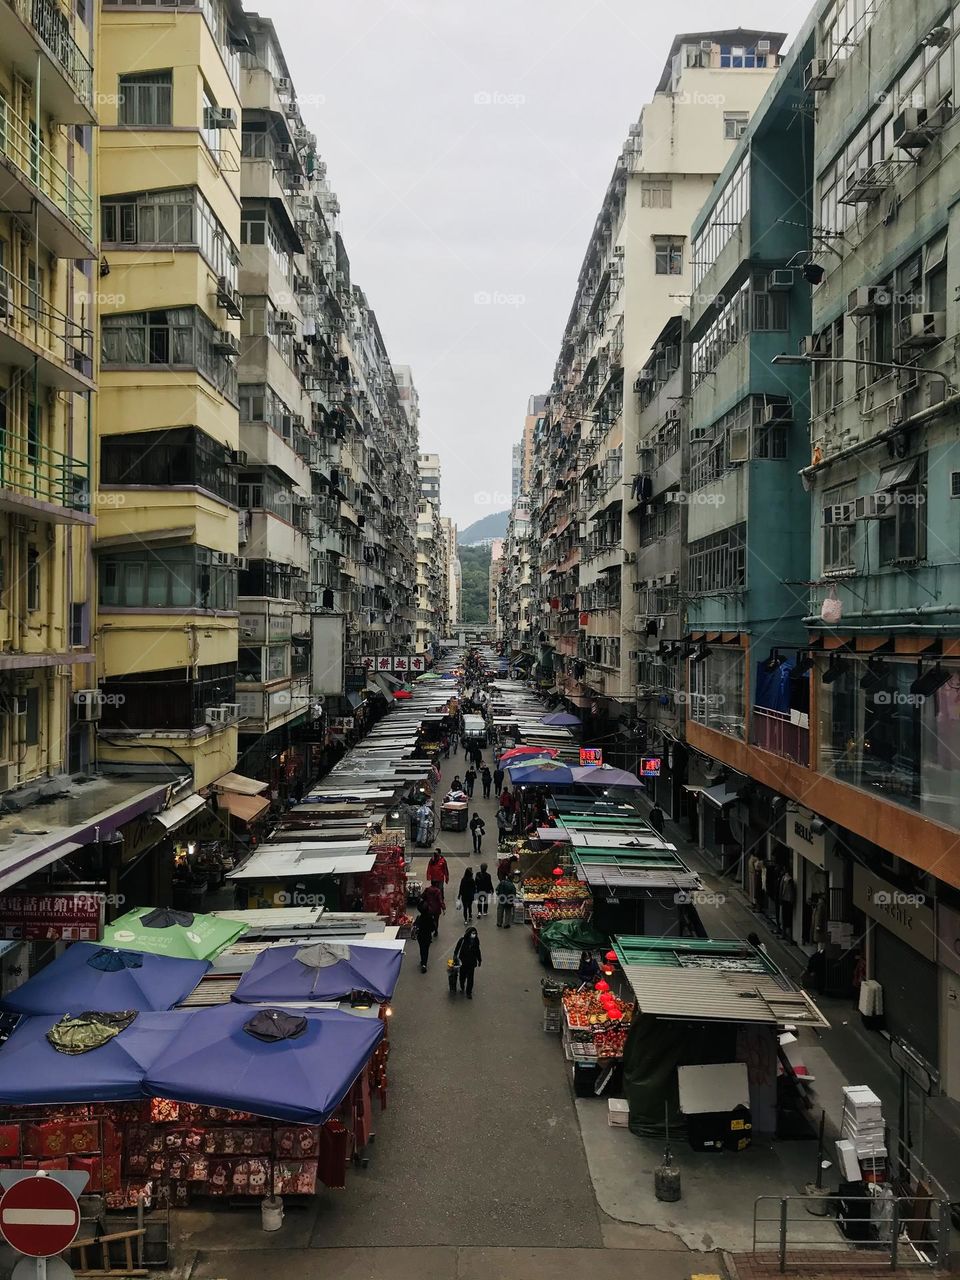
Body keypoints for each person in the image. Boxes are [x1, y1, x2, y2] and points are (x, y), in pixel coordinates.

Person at [453, 926, 482, 997]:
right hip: (462, 962)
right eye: (472, 933)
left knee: (470, 978)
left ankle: (469, 992)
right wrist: (455, 958)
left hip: (471, 963)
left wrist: (479, 959)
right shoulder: (462, 940)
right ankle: (462, 985)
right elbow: (457, 949)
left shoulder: (476, 941)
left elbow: (478, 951)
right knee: (462, 976)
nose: (474, 935)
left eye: (475, 933)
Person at [414, 901, 435, 972]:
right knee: (426, 950)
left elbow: (415, 926)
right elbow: (433, 928)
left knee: (422, 949)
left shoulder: (419, 918)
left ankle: (422, 961)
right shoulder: (430, 918)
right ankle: (424, 963)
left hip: (420, 936)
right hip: (427, 936)